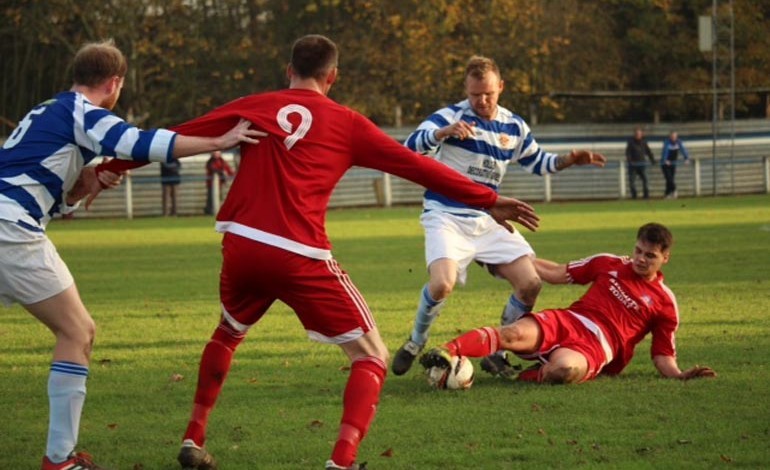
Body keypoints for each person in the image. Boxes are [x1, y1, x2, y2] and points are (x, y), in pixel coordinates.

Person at [135, 35, 540, 470]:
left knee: (228, 333)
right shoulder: (346, 122)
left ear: (289, 71)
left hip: (241, 244)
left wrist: (105, 168)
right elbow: (418, 166)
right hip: (297, 251)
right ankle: (341, 463)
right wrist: (486, 198)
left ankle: (193, 437)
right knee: (371, 356)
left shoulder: (257, 104)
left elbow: (175, 135)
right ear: (333, 77)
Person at [0, 39, 263, 470]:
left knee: (76, 331)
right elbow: (141, 143)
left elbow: (35, 176)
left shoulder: (47, 109)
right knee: (78, 332)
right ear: (115, 83)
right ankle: (60, 460)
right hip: (10, 228)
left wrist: (82, 187)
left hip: (8, 219)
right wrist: (222, 139)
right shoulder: (84, 112)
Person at [391, 55, 607, 379]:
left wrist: (569, 159)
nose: (481, 100)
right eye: (475, 94)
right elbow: (408, 149)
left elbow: (539, 163)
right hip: (446, 215)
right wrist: (441, 134)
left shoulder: (515, 126)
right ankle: (415, 341)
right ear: (466, 89)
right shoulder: (448, 117)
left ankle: (498, 352)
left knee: (530, 283)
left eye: (488, 93)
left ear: (501, 87)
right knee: (442, 284)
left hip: (491, 217)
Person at [420, 223, 717, 385]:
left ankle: (517, 375)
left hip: (597, 348)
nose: (640, 259)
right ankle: (447, 351)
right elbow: (556, 273)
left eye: (649, 256)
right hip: (569, 321)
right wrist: (504, 255)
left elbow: (662, 354)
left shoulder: (665, 303)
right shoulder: (609, 263)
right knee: (510, 334)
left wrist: (679, 375)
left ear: (665, 258)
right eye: (638, 251)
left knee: (565, 371)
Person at [625, 127, 656, 199]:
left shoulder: (644, 142)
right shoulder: (631, 143)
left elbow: (649, 152)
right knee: (632, 182)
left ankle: (646, 195)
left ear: (642, 134)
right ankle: (634, 196)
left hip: (642, 164)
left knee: (645, 180)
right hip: (633, 166)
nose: (638, 135)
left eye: (639, 134)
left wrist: (652, 160)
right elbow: (628, 153)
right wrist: (630, 161)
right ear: (635, 134)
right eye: (637, 134)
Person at [660, 131, 690, 199]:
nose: (673, 138)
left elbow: (683, 150)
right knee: (669, 178)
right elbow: (665, 151)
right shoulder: (667, 142)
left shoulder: (678, 142)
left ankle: (667, 194)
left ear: (676, 137)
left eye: (675, 136)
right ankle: (674, 190)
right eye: (672, 136)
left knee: (670, 180)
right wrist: (665, 160)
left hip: (673, 164)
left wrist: (686, 158)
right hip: (665, 164)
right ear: (670, 137)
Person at [203, 150, 234, 215]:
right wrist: (222, 172)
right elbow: (213, 170)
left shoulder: (223, 162)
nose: (216, 154)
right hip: (212, 185)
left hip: (221, 184)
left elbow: (229, 171)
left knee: (221, 198)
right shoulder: (210, 162)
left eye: (217, 152)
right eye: (215, 153)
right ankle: (210, 212)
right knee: (211, 199)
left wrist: (230, 174)